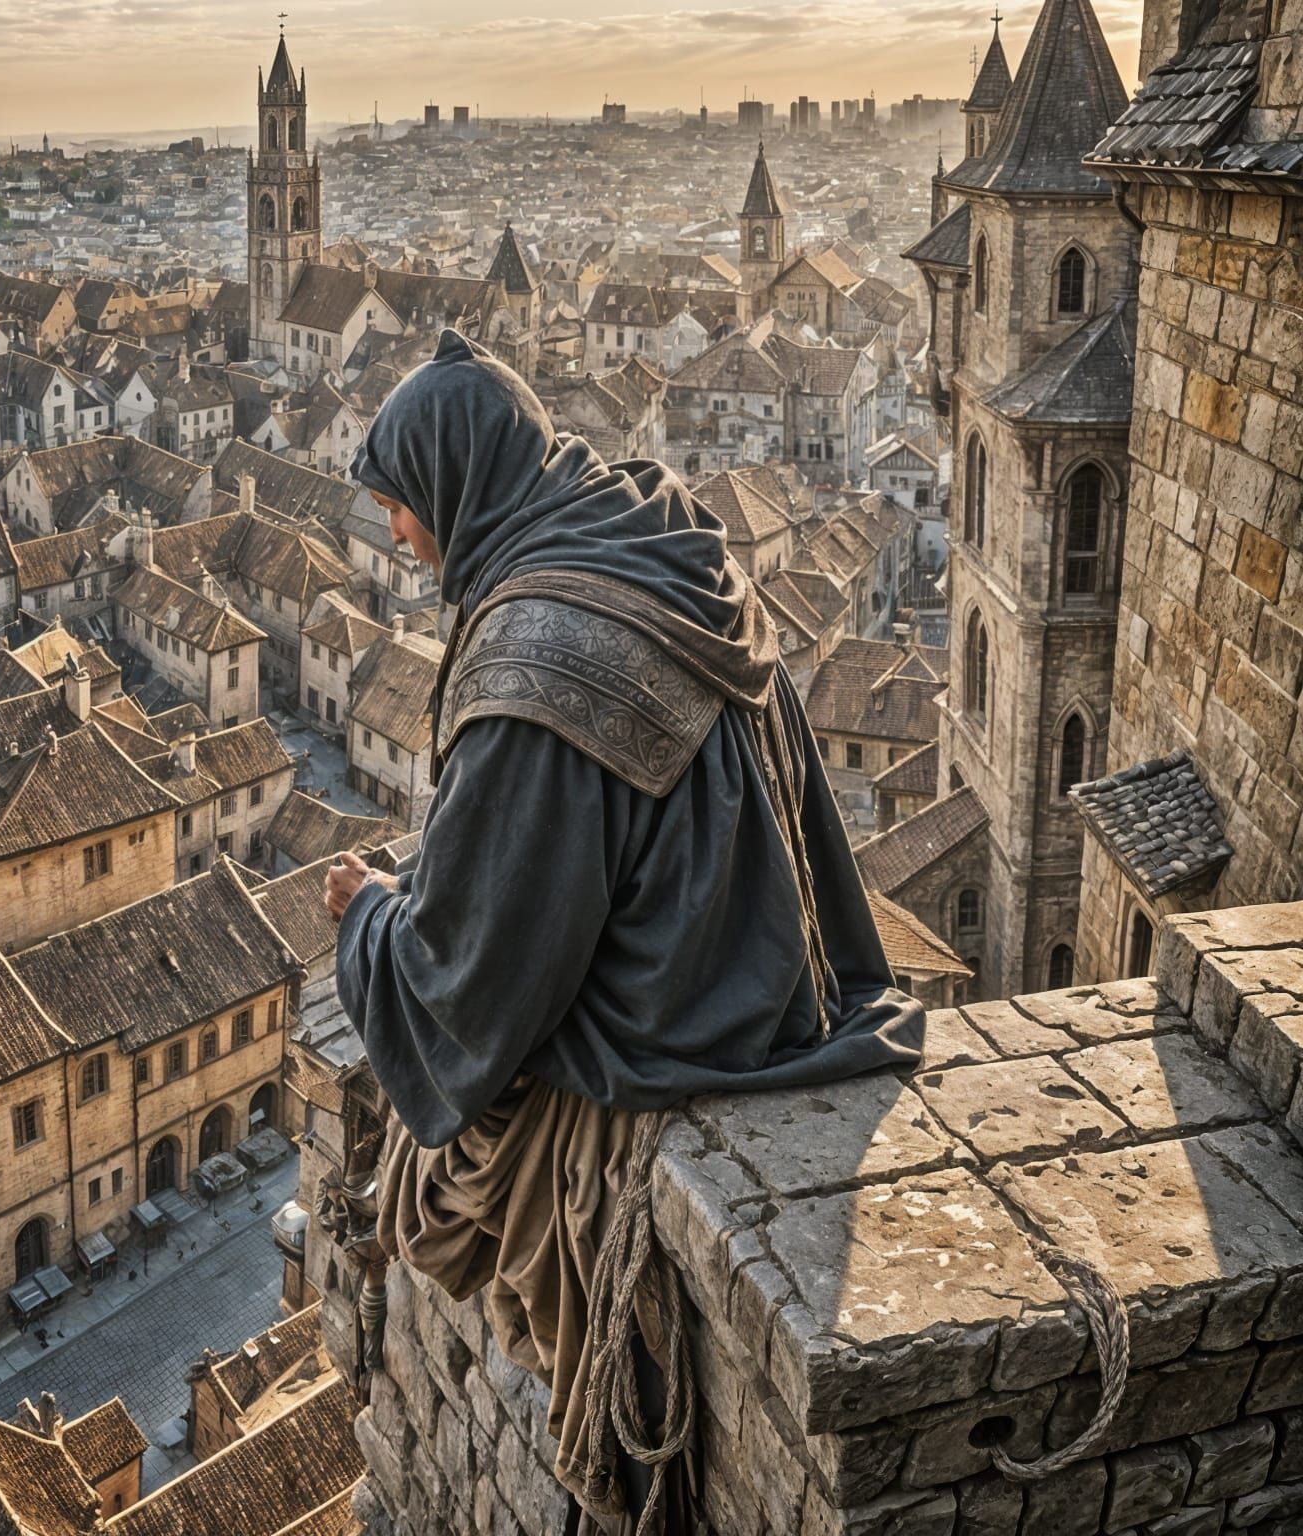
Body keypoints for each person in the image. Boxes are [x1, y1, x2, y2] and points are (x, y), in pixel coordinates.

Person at [326, 330, 923, 1535]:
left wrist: (368, 917)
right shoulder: (653, 527)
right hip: (772, 968)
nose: (394, 534)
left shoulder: (538, 662)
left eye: (401, 503)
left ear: (460, 484)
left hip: (674, 1025)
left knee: (428, 1193)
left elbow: (464, 986)